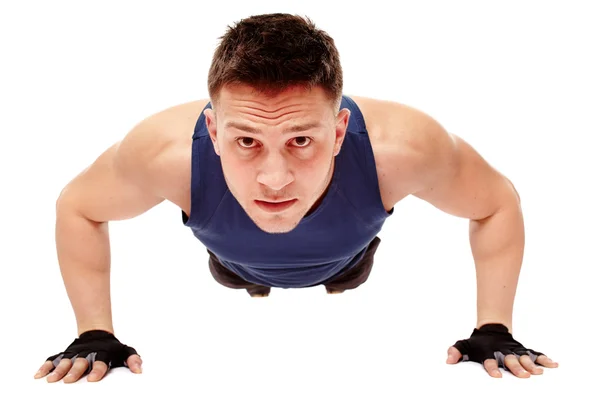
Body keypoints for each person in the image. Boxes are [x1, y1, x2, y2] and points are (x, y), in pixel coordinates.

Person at [33, 12, 559, 384]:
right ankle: (252, 280)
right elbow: (78, 207)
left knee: (345, 275)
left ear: (339, 129)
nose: (275, 178)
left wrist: (495, 327)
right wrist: (94, 332)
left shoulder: (405, 148)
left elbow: (496, 203)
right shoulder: (162, 154)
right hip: (233, 260)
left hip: (348, 257)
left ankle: (337, 274)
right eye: (246, 141)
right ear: (212, 132)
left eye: (300, 140)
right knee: (241, 276)